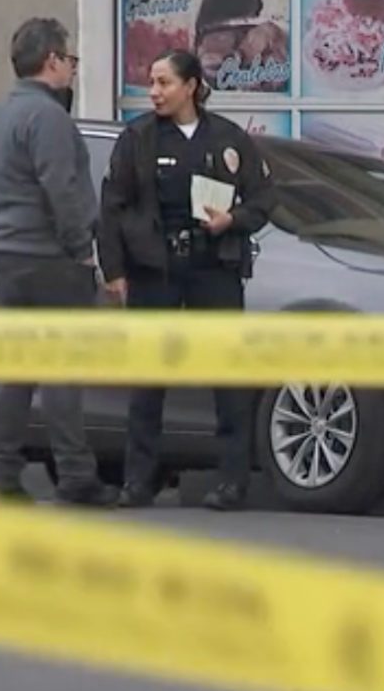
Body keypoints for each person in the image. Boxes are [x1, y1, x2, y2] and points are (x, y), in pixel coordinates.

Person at [99, 49, 277, 511]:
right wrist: (114, 270)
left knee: (226, 375)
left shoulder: (228, 139)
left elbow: (263, 199)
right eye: (151, 83)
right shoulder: (137, 138)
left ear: (191, 86)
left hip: (212, 267)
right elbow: (112, 207)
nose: (154, 92)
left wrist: (232, 220)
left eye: (163, 82)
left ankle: (232, 482)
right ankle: (140, 481)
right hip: (155, 269)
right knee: (148, 378)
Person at [0, 17, 120, 508]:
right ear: (52, 61)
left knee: (18, 370)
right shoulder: (49, 119)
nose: (73, 71)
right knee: (62, 370)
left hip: (10, 255)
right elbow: (63, 188)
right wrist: (82, 248)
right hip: (50, 259)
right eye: (71, 60)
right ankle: (76, 476)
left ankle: (4, 472)